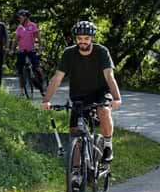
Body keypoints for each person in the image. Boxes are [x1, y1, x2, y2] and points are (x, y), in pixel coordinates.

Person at [41, 21, 122, 162]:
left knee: (103, 110)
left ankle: (108, 145)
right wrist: (46, 100)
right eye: (79, 38)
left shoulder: (101, 52)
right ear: (76, 39)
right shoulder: (69, 53)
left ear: (92, 38)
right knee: (74, 135)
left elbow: (109, 76)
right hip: (79, 95)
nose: (82, 42)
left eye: (86, 38)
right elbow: (57, 78)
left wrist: (116, 98)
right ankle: (77, 176)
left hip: (100, 92)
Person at [11, 9, 45, 95]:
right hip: (21, 51)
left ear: (26, 17)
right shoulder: (19, 27)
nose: (19, 19)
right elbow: (15, 40)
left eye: (20, 17)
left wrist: (40, 47)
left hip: (31, 51)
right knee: (20, 70)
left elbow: (39, 38)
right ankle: (22, 90)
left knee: (37, 67)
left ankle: (42, 83)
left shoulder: (32, 26)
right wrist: (12, 49)